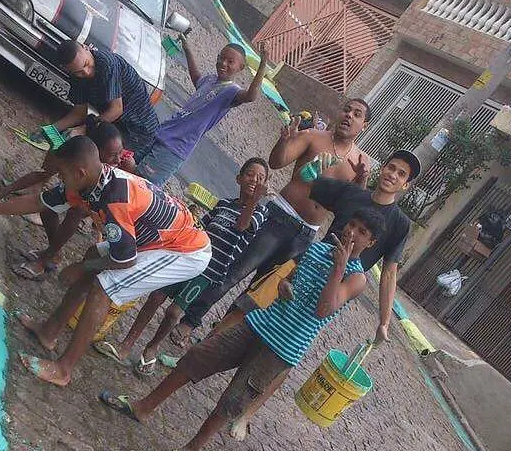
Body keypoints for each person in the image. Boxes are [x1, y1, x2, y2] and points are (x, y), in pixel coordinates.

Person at [99, 208, 386, 451]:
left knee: (234, 399)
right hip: (259, 323)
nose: (352, 233)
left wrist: (339, 267)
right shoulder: (318, 249)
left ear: (370, 243)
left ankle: (190, 450)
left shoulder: (356, 278)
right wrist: (285, 286)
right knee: (197, 357)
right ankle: (144, 407)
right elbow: (291, 279)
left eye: (362, 232)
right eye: (351, 224)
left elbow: (324, 309)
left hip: (282, 348)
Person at [0, 136, 211, 387]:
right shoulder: (88, 182)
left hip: (184, 251)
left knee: (103, 287)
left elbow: (123, 260)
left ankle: (63, 369)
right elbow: (37, 202)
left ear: (79, 172)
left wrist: (81, 268)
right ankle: (49, 332)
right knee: (93, 255)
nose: (59, 179)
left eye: (62, 174)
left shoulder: (113, 199)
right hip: (154, 237)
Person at [219, 148, 420, 440]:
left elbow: (389, 271)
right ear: (382, 168)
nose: (393, 174)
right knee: (246, 306)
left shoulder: (400, 224)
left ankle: (247, 414)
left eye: (401, 174)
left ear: (406, 185)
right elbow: (309, 184)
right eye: (391, 167)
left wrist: (385, 321)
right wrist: (314, 169)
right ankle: (204, 352)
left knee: (288, 353)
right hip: (305, 267)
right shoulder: (354, 194)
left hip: (335, 289)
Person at [170, 100, 373, 347]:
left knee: (260, 291)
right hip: (280, 217)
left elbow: (353, 207)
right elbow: (277, 161)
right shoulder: (314, 137)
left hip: (306, 235)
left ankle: (216, 339)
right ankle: (190, 321)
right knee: (235, 270)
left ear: (364, 125)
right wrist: (284, 140)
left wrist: (361, 180)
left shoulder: (358, 163)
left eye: (357, 114)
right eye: (346, 110)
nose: (349, 116)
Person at [95, 157, 270, 374]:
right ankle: (126, 345)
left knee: (174, 311)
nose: (254, 180)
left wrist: (254, 202)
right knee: (155, 298)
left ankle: (151, 349)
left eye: (260, 178)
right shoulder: (224, 204)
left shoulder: (260, 214)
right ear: (239, 178)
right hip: (186, 256)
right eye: (250, 174)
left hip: (208, 272)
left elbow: (242, 226)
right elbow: (201, 226)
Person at [0, 122, 136, 280]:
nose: (118, 158)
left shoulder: (123, 163)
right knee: (47, 207)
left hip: (106, 202)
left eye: (120, 152)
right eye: (113, 155)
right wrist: (2, 192)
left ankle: (45, 260)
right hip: (81, 184)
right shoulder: (74, 156)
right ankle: (53, 254)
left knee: (75, 213)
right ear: (94, 153)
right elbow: (42, 174)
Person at [136, 40, 268, 186]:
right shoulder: (210, 80)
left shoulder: (231, 91)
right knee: (126, 168)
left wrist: (263, 63)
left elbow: (251, 96)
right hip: (161, 133)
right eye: (221, 58)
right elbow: (197, 78)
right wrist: (187, 49)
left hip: (173, 148)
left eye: (230, 62)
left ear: (240, 67)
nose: (223, 63)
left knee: (141, 185)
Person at [36, 40, 159, 159]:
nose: (86, 72)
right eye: (78, 72)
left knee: (104, 160)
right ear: (68, 70)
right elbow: (79, 113)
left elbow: (116, 109)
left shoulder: (108, 65)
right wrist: (51, 129)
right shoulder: (75, 77)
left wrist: (83, 129)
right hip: (115, 123)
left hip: (139, 129)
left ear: (86, 48)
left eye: (86, 64)